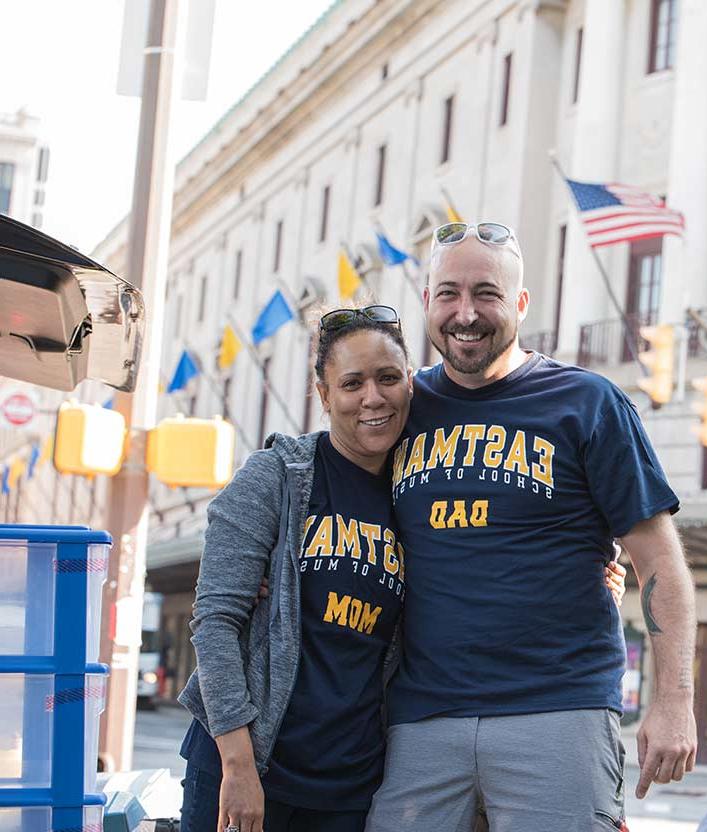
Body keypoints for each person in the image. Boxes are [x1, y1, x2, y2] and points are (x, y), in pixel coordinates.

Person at [177, 305, 627, 832]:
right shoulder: (279, 478)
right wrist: (238, 767)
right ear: (324, 396)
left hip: (350, 784)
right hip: (250, 762)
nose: (373, 397)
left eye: (388, 378)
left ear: (410, 385)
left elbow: (473, 567)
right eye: (352, 383)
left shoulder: (415, 490)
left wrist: (587, 578)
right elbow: (214, 622)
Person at [367, 222, 698, 832]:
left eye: (486, 293)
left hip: (558, 710)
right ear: (427, 304)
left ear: (520, 304)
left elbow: (659, 563)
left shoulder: (588, 402)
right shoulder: (398, 409)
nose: (466, 313)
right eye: (449, 293)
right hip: (419, 719)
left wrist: (674, 701)